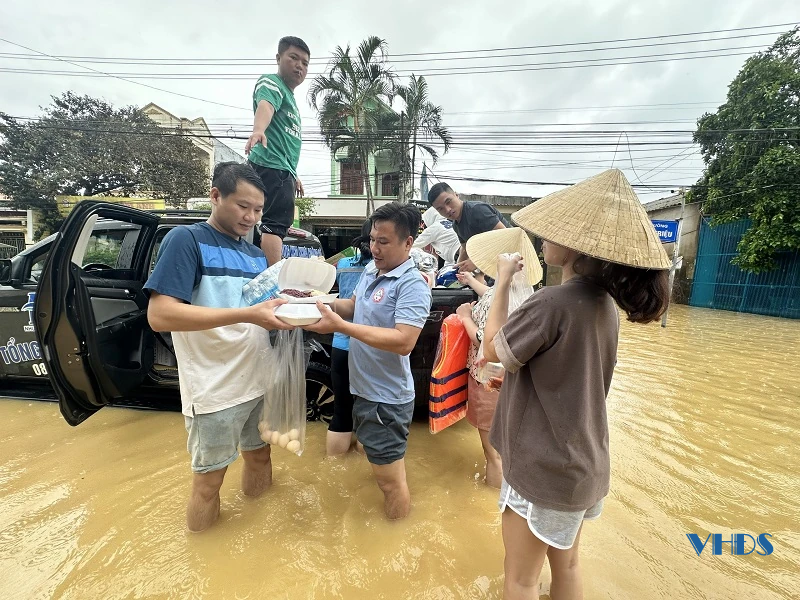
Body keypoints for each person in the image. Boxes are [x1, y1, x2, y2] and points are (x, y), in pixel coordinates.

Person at [480, 169, 672, 599]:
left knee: (520, 578)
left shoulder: (552, 301)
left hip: (543, 468)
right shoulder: (603, 305)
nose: (542, 239)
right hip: (583, 465)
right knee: (566, 566)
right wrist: (516, 386)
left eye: (551, 232)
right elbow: (565, 375)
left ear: (575, 247)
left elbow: (493, 349)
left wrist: (503, 282)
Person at [145, 162, 293, 533]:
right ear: (215, 196)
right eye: (244, 206)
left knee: (260, 457)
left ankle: (257, 534)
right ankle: (203, 555)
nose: (251, 217)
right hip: (214, 388)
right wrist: (248, 314)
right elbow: (161, 314)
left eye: (258, 210)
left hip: (257, 378)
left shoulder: (256, 254)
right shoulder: (187, 239)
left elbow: (260, 310)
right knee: (209, 483)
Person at [305, 202, 431, 519]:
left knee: (390, 484)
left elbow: (404, 341)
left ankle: (395, 537)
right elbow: (352, 305)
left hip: (385, 400)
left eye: (384, 241)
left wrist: (341, 328)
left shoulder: (412, 285)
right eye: (373, 239)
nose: (374, 247)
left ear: (408, 243)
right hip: (365, 391)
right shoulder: (371, 270)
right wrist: (319, 304)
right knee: (382, 475)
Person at [454, 228, 543, 489]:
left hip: (488, 377)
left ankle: (491, 497)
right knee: (506, 445)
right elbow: (492, 296)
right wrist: (471, 281)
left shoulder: (502, 294)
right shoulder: (522, 293)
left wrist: (465, 317)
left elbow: (482, 340)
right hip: (511, 379)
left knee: (491, 452)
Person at [245, 36, 310, 267]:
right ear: (278, 58)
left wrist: (294, 174)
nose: (300, 66)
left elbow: (283, 142)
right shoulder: (272, 83)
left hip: (281, 168)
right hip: (272, 166)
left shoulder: (290, 97)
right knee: (276, 224)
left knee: (262, 220)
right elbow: (266, 105)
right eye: (294, 58)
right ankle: (273, 281)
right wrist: (258, 130)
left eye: (305, 62)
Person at [326, 219, 373, 456]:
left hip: (340, 342)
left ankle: (333, 467)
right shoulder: (382, 268)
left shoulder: (343, 263)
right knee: (369, 410)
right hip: (369, 345)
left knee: (341, 409)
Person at [428, 182, 509, 273]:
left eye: (448, 202)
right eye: (440, 209)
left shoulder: (477, 210)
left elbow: (506, 238)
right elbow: (465, 249)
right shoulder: (456, 225)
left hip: (514, 260)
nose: (448, 210)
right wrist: (457, 270)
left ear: (456, 195)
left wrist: (476, 262)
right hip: (495, 265)